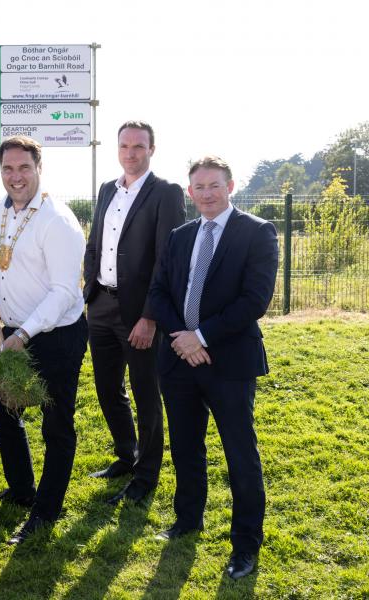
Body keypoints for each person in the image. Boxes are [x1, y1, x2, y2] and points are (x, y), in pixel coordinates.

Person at [148, 156, 278, 580]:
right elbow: (159, 293)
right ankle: (187, 521)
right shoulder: (180, 235)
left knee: (239, 454)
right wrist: (182, 341)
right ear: (190, 192)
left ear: (231, 186)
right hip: (178, 360)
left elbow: (254, 300)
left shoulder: (257, 232)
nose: (206, 193)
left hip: (229, 362)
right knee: (186, 447)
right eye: (198, 187)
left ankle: (244, 545)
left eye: (214, 185)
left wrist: (200, 337)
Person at [0, 136, 88, 545]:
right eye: (8, 168)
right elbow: (5, 267)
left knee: (57, 424)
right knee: (0, 409)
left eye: (24, 168)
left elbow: (62, 291)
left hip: (56, 335)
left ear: (39, 168)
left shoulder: (57, 220)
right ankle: (23, 490)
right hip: (17, 332)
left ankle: (46, 510)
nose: (15, 176)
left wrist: (23, 333)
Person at [83, 121, 185, 504]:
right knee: (108, 388)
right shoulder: (107, 189)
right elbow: (95, 243)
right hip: (100, 305)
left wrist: (150, 316)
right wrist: (88, 288)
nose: (131, 153)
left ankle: (146, 476)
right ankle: (126, 456)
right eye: (124, 145)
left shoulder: (166, 193)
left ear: (152, 150)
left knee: (146, 394)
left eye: (138, 146)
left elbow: (167, 260)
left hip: (139, 313)